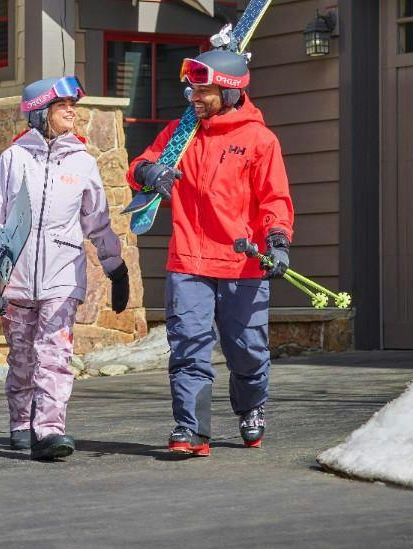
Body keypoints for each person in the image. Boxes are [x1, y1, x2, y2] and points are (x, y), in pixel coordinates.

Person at [126, 48, 294, 457]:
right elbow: (139, 165)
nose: (193, 96)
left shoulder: (259, 140)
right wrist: (148, 172)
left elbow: (275, 198)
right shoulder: (181, 132)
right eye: (192, 89)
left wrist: (277, 241)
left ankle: (251, 406)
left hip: (243, 262)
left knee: (247, 350)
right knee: (188, 346)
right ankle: (191, 429)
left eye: (203, 90)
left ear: (230, 90)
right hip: (189, 260)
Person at [0, 76, 129, 461]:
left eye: (73, 106)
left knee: (54, 356)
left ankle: (49, 429)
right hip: (16, 277)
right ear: (40, 113)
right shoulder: (13, 160)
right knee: (22, 358)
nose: (72, 112)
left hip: (63, 274)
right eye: (63, 107)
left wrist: (115, 267)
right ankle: (20, 425)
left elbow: (98, 221)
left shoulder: (82, 162)